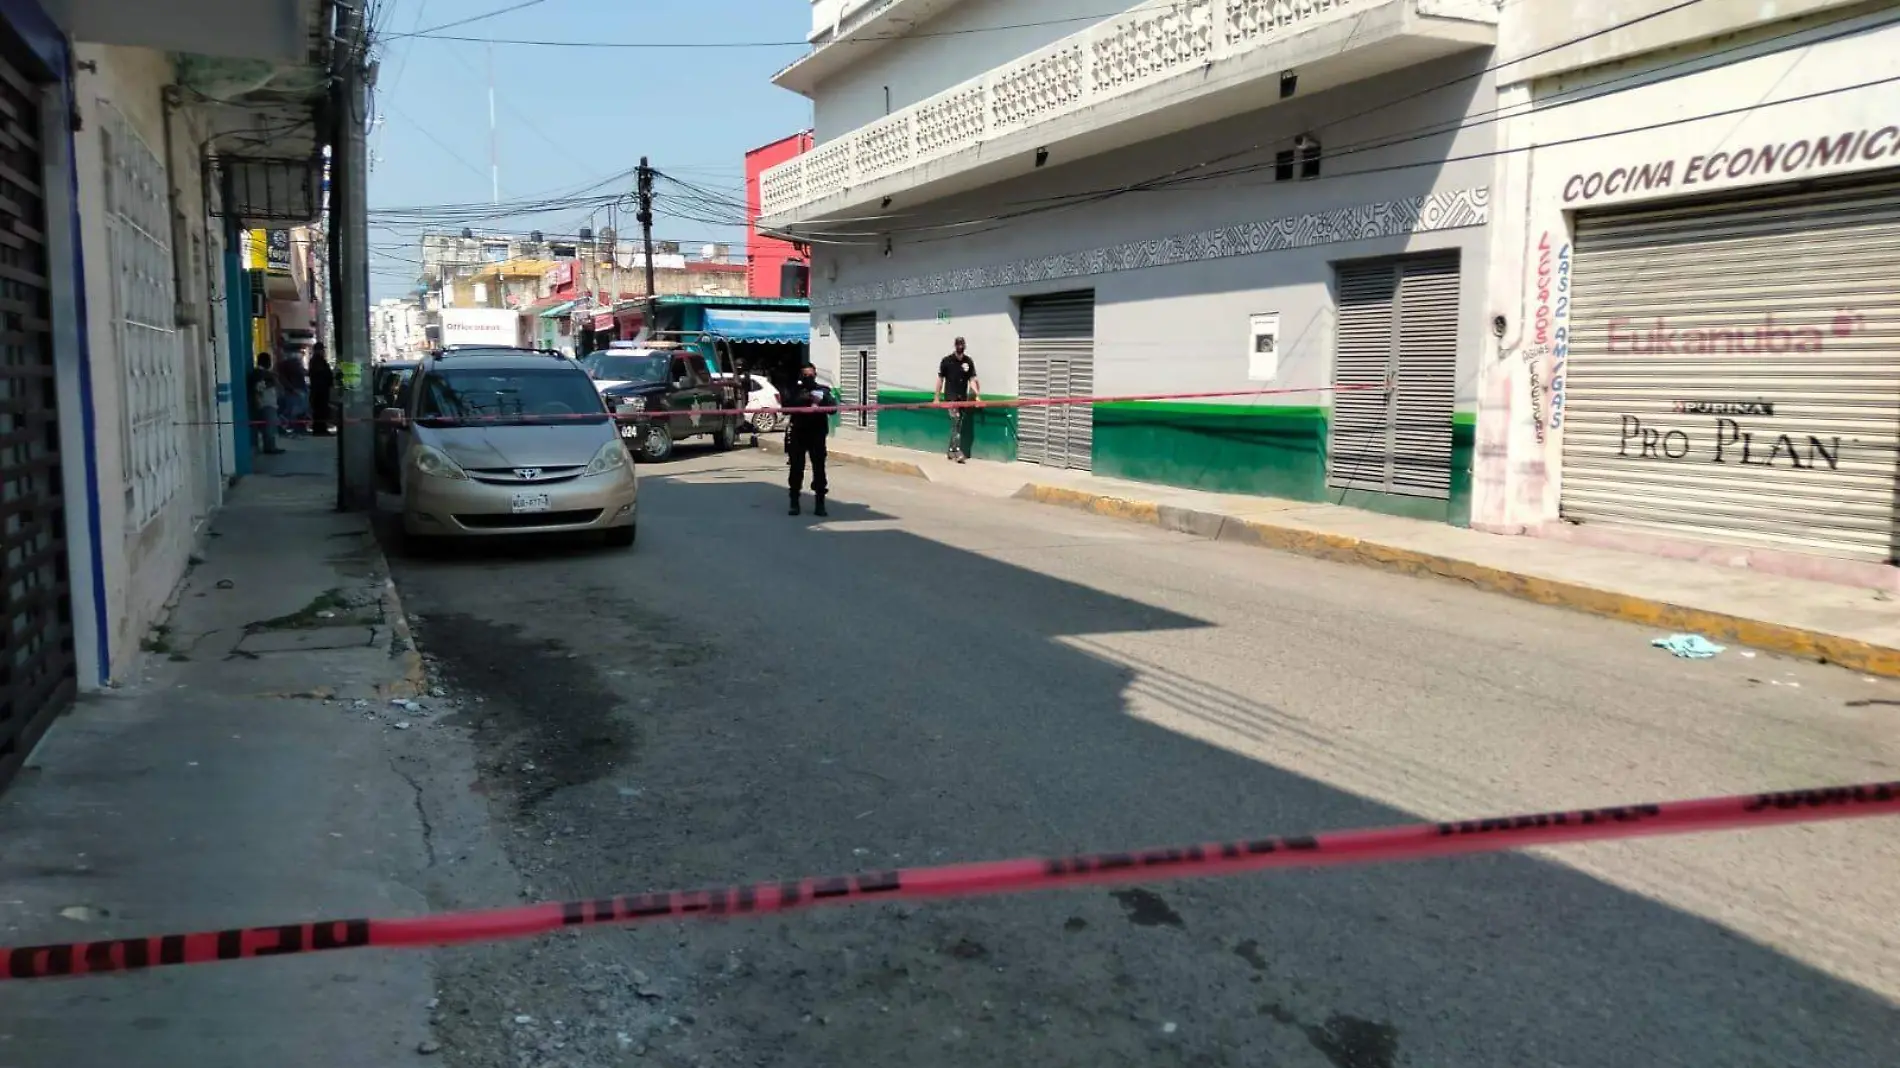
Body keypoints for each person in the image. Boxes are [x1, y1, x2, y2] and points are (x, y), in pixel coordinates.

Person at [783, 361, 836, 517]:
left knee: (819, 470)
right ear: (801, 376)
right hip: (798, 433)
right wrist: (803, 398)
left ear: (815, 375)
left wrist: (821, 400)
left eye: (811, 375)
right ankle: (794, 503)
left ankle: (820, 504)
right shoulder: (794, 390)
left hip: (817, 434)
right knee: (796, 469)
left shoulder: (823, 390)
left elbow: (833, 409)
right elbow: (786, 407)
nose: (808, 378)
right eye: (805, 375)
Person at [935, 337, 981, 463]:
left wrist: (977, 395)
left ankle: (951, 451)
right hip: (951, 398)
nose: (960, 347)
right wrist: (936, 398)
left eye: (962, 345)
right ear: (955, 346)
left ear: (964, 346)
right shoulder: (947, 361)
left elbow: (972, 380)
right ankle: (957, 451)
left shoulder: (968, 361)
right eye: (958, 345)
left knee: (958, 425)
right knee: (955, 420)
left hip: (962, 398)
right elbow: (940, 379)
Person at [248, 352, 285, 455]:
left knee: (270, 425)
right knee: (269, 426)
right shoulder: (260, 374)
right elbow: (259, 387)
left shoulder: (263, 373)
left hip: (267, 402)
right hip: (266, 403)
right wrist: (273, 382)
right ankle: (270, 447)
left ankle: (270, 446)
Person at [277, 350, 309, 436]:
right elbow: (284, 379)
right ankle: (294, 428)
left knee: (299, 410)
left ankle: (298, 429)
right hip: (295, 391)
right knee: (295, 410)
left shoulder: (293, 364)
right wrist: (293, 389)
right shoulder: (289, 365)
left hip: (297, 390)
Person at [308, 344, 334, 436]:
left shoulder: (316, 360)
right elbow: (321, 374)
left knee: (320, 411)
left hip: (319, 390)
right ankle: (320, 429)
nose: (323, 352)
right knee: (320, 411)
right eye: (322, 350)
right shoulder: (317, 360)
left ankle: (320, 429)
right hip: (320, 391)